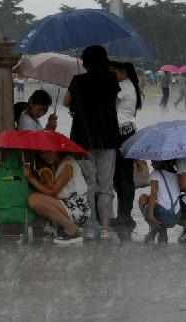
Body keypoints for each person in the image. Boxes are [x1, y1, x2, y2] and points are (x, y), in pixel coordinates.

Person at [64, 45, 120, 240]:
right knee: (106, 184)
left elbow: (66, 102)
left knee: (88, 183)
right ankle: (105, 227)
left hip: (84, 137)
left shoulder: (78, 81)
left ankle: (90, 225)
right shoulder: (112, 79)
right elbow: (114, 101)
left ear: (85, 61)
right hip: (108, 137)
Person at [25, 151, 90, 245]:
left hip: (77, 207)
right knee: (33, 199)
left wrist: (30, 178)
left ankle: (72, 230)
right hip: (69, 204)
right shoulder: (57, 164)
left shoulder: (68, 163)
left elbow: (53, 191)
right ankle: (66, 228)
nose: (45, 156)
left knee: (34, 199)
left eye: (47, 152)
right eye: (41, 154)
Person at [110, 61, 142, 229]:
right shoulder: (131, 86)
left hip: (121, 133)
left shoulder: (123, 86)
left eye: (113, 71)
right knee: (124, 177)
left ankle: (124, 216)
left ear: (123, 72)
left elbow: (108, 101)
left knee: (122, 177)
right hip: (128, 132)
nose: (111, 74)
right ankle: (125, 215)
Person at [139, 160, 182, 244]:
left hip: (163, 214)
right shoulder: (176, 175)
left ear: (160, 162)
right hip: (176, 216)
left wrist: (150, 216)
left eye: (153, 161)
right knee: (161, 203)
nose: (151, 164)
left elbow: (153, 195)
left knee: (143, 198)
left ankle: (155, 229)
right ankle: (162, 233)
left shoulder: (155, 173)